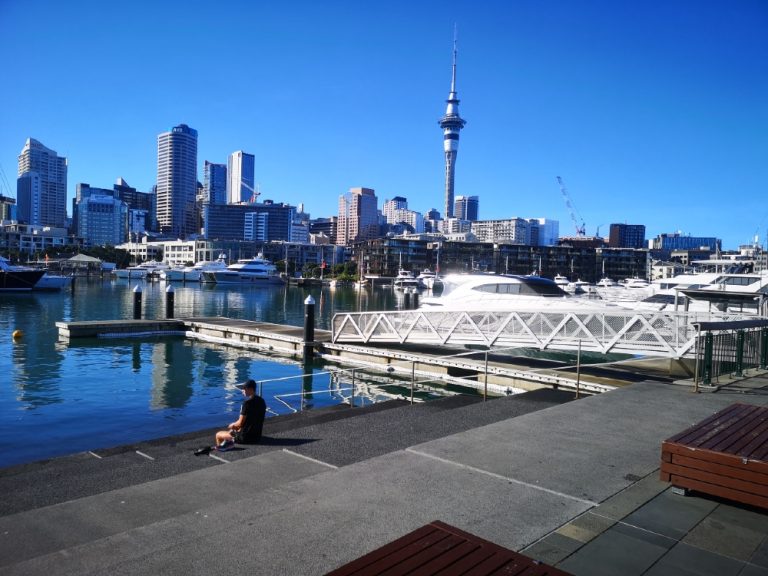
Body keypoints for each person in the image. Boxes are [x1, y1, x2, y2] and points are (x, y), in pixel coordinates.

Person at [214, 379, 266, 448]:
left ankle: (222, 449)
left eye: (244, 389)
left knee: (218, 434)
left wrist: (232, 425)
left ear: (250, 389)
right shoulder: (262, 401)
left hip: (245, 438)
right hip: (257, 436)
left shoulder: (246, 404)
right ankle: (229, 442)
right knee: (232, 431)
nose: (242, 391)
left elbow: (240, 423)